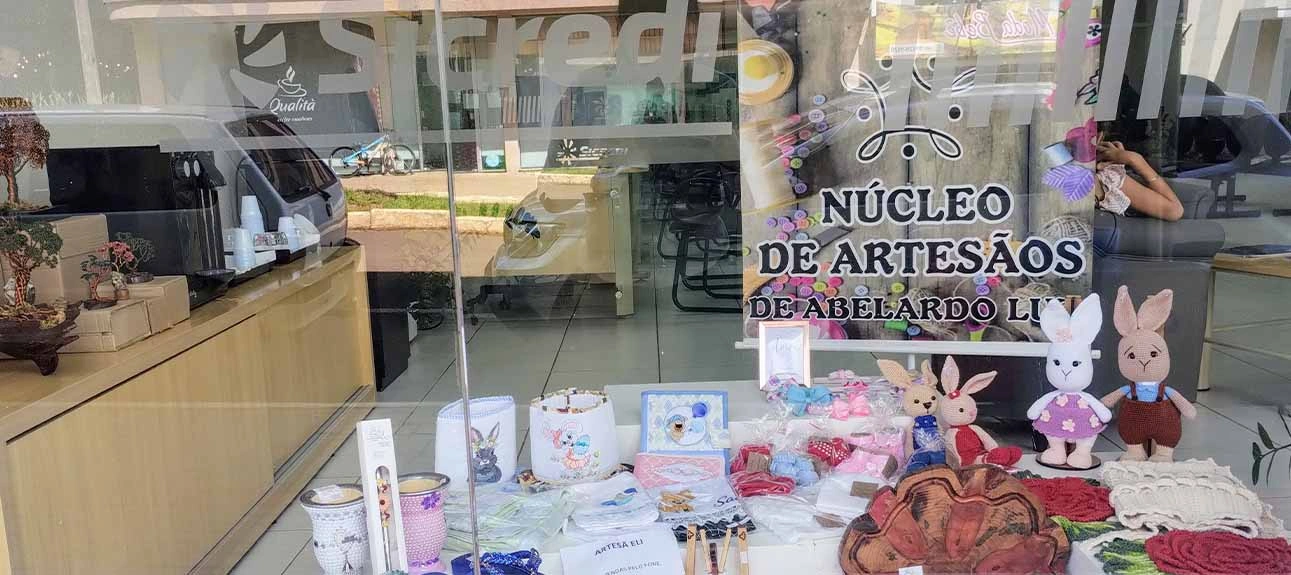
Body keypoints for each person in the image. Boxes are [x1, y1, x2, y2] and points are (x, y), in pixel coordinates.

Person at [1095, 140, 1185, 221]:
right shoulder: (1108, 178)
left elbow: (1174, 210)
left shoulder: (1108, 177)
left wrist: (1132, 159)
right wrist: (1135, 159)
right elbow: (1174, 210)